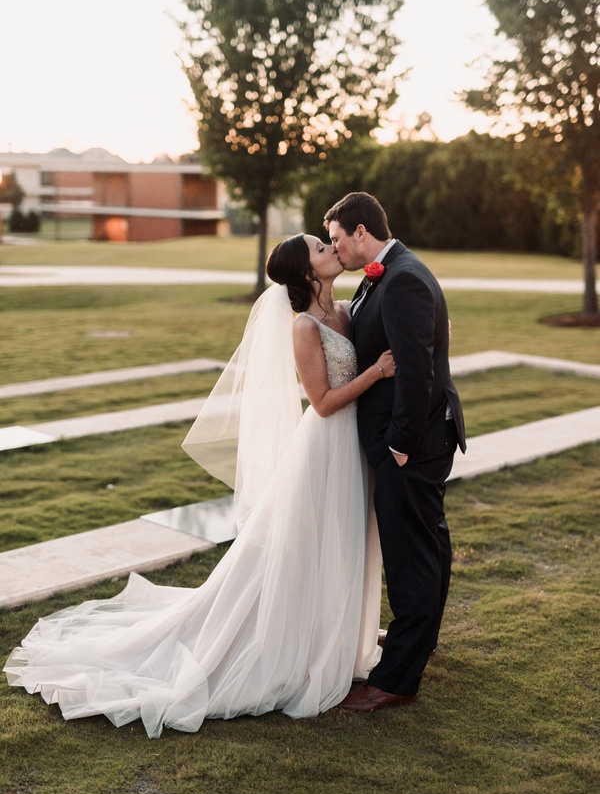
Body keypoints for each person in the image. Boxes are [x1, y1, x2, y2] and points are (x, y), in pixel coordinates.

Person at [4, 234, 394, 738]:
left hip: (352, 448)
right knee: (303, 547)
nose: (332, 249)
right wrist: (378, 372)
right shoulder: (303, 326)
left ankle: (335, 637)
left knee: (339, 544)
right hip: (325, 445)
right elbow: (320, 402)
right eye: (321, 248)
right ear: (305, 272)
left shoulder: (345, 309)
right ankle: (295, 647)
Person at [324, 192, 466, 712]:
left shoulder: (401, 277)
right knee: (428, 545)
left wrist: (400, 446)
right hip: (418, 439)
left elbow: (415, 372)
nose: (336, 250)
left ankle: (396, 680)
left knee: (410, 559)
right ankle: (418, 641)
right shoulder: (387, 273)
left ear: (362, 231)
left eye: (338, 240)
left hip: (413, 442)